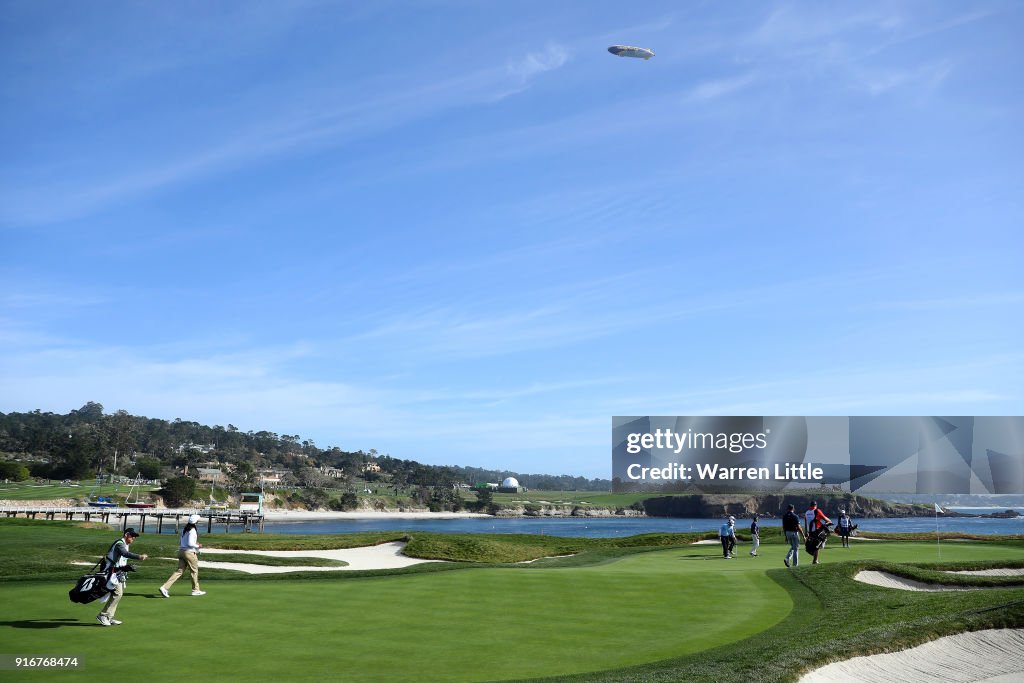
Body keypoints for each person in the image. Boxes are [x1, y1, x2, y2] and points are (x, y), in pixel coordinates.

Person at [96, 528, 148, 626]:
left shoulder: (125, 545)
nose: (133, 538)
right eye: (132, 536)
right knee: (118, 593)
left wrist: (127, 568)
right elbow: (125, 554)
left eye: (134, 537)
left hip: (117, 573)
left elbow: (122, 560)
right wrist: (139, 557)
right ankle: (103, 615)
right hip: (111, 572)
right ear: (126, 535)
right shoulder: (119, 543)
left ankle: (109, 617)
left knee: (118, 594)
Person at [159, 513, 206, 597]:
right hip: (189, 553)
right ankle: (195, 590)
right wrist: (198, 545)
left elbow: (181, 542)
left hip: (181, 551)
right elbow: (190, 543)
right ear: (196, 522)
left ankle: (164, 587)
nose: (199, 521)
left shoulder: (185, 529)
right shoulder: (192, 530)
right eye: (198, 520)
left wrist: (194, 544)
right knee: (194, 571)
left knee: (179, 571)